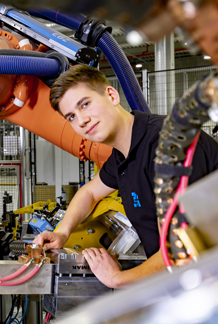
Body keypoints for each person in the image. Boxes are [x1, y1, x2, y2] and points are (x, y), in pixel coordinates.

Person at [33, 64, 218, 288]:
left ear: (111, 95)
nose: (81, 120)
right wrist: (62, 232)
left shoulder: (167, 146)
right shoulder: (122, 155)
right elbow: (89, 193)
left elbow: (179, 248)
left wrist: (116, 279)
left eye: (85, 104)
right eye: (71, 116)